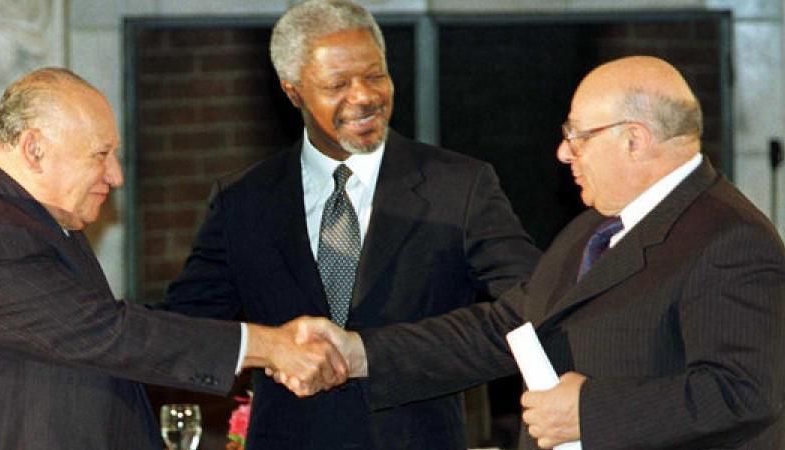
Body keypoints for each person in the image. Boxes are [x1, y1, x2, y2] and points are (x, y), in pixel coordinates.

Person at [298, 55, 785, 449]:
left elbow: (744, 393)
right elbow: (506, 327)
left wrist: (587, 412)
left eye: (577, 136)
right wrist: (359, 353)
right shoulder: (595, 227)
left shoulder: (732, 241)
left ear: (634, 140)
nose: (564, 153)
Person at [163, 0, 541, 448]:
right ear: (293, 92)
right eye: (338, 84)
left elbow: (533, 308)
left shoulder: (459, 187)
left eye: (375, 75)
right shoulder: (243, 200)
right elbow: (185, 330)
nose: (364, 97)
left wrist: (370, 354)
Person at [0, 67, 346, 449]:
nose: (115, 176)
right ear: (34, 149)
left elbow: (95, 336)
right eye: (101, 155)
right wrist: (269, 346)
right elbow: (109, 333)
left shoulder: (33, 221)